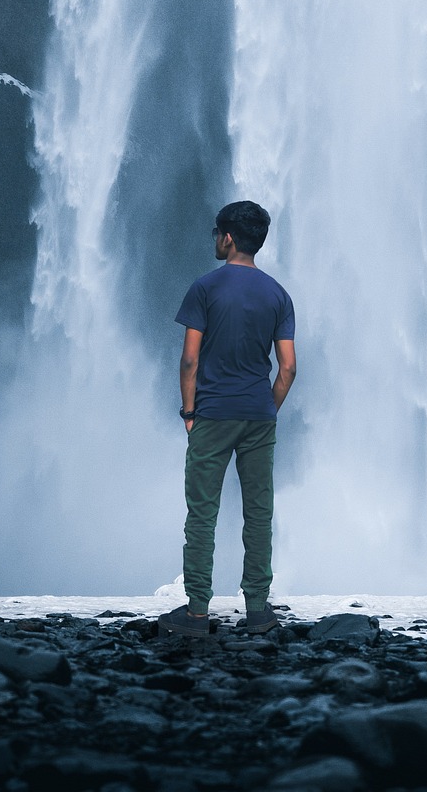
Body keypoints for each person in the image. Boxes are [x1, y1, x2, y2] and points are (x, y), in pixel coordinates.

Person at [159, 200, 296, 636]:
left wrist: (189, 412)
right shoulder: (278, 294)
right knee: (259, 511)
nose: (214, 239)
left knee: (202, 512)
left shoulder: (205, 288)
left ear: (228, 238)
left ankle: (197, 611)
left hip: (213, 414)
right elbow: (289, 366)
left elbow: (188, 361)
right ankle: (257, 608)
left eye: (216, 231)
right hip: (258, 415)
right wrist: (267, 408)